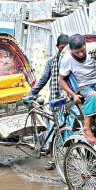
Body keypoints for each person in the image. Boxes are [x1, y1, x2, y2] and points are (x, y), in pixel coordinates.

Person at [25, 33, 70, 169]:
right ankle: (53, 158)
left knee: (66, 130)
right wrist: (31, 93)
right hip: (56, 102)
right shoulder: (52, 62)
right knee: (57, 129)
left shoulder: (71, 60)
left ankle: (66, 157)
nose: (64, 51)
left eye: (66, 48)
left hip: (69, 101)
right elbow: (43, 79)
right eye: (62, 48)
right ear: (57, 47)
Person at [58, 34, 96, 145]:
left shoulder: (93, 47)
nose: (80, 54)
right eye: (76, 52)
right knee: (92, 95)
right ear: (71, 50)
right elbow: (61, 80)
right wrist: (73, 95)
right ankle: (86, 128)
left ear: (85, 45)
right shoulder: (67, 59)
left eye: (82, 50)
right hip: (83, 87)